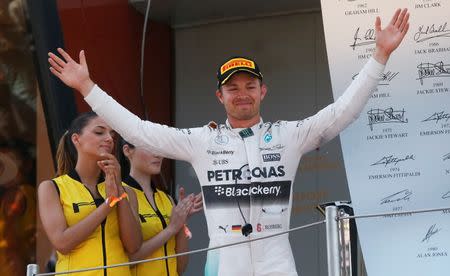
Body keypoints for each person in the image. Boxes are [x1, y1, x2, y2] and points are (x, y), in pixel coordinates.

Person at [47, 8, 410, 276]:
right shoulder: (202, 140)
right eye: (232, 88)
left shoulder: (287, 135)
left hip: (277, 259)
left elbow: (341, 113)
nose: (242, 94)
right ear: (219, 96)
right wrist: (87, 88)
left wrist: (379, 57)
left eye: (250, 86)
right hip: (224, 262)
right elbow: (139, 130)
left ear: (263, 91)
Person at [38, 112, 142, 275]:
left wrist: (119, 190)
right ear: (76, 139)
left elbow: (134, 246)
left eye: (111, 134)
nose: (109, 138)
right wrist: (108, 204)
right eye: (99, 132)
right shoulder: (52, 187)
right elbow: (62, 243)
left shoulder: (126, 191)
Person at [119, 138, 202, 275]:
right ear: (127, 151)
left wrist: (181, 222)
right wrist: (171, 229)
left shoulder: (166, 198)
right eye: (150, 147)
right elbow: (127, 259)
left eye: (159, 148)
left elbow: (180, 268)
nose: (158, 155)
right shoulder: (121, 195)